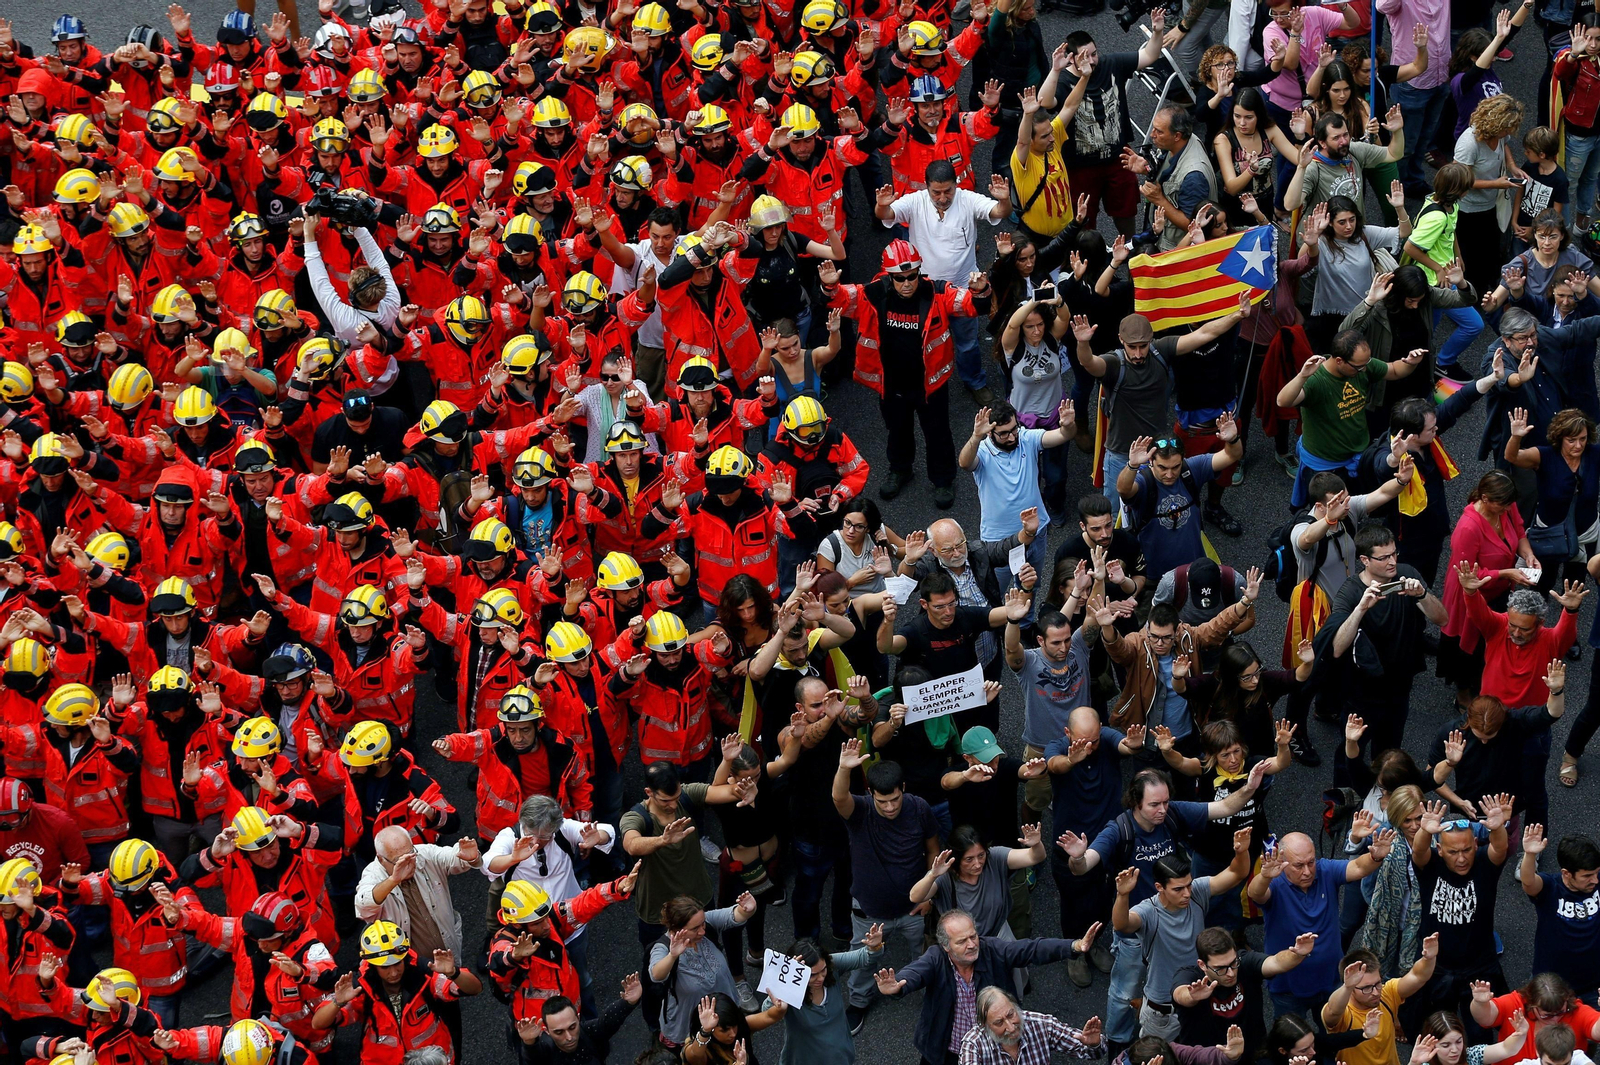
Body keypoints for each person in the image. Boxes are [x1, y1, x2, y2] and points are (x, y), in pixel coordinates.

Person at [873, 906, 1102, 1064]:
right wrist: (898, 986)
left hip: (996, 1044)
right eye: (962, 941)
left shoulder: (992, 949)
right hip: (947, 1047)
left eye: (973, 936)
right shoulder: (935, 958)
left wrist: (1073, 946)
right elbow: (916, 972)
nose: (972, 944)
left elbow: (1031, 949)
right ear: (946, 946)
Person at [1073, 307, 1245, 502]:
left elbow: (1205, 333)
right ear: (1121, 340)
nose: (1138, 353)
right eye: (1132, 347)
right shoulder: (1113, 364)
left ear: (1151, 339)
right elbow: (1089, 362)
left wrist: (1237, 315)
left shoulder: (1161, 350)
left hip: (1157, 453)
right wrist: (1083, 343)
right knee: (1115, 514)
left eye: (1143, 346)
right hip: (1121, 455)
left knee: (1155, 508)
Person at [876, 161, 1014, 401]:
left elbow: (1000, 212)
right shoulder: (915, 201)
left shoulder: (967, 199)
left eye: (948, 191)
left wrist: (1004, 200)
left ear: (956, 184)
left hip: (962, 289)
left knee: (967, 342)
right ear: (927, 187)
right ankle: (925, 386)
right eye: (936, 192)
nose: (942, 197)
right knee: (923, 342)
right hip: (926, 291)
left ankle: (974, 381)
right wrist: (881, 205)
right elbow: (886, 215)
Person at [831, 743, 942, 1032]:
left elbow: (933, 849)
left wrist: (929, 893)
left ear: (903, 788)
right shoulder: (861, 812)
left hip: (913, 909)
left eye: (895, 799)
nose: (890, 807)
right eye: (883, 802)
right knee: (864, 962)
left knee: (923, 952)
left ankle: (927, 988)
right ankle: (858, 1002)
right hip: (869, 912)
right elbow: (838, 796)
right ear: (871, 794)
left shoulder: (919, 808)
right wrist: (844, 767)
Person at [1319, 524, 1449, 769]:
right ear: (1365, 560)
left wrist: (1421, 595)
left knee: (1389, 750)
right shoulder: (1351, 592)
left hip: (1400, 685)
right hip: (1362, 690)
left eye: (1394, 554)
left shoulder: (1406, 574)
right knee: (1351, 751)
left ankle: (1383, 793)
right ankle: (1343, 799)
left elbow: (1442, 619)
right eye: (1384, 557)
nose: (1392, 562)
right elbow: (1336, 648)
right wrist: (1361, 608)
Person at [1114, 831, 1253, 1041]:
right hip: (1164, 1010)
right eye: (1178, 889)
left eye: (1189, 885)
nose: (1187, 893)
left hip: (1200, 996)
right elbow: (1122, 923)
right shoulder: (1149, 912)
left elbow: (1237, 873)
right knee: (1160, 1057)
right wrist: (1123, 895)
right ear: (1159, 888)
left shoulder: (1196, 892)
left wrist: (1241, 852)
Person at [1248, 829, 1399, 1020]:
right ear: (1282, 861)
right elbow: (1256, 893)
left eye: (1311, 862)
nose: (1307, 871)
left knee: (1334, 1037)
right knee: (1293, 1044)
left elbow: (1358, 868)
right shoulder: (1275, 884)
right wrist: (1264, 877)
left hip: (1331, 981)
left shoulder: (1325, 870)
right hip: (1288, 989)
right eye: (1298, 865)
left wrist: (1374, 858)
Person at [1275, 332, 1425, 508]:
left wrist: (1410, 362)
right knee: (1328, 510)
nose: (1363, 370)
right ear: (1339, 360)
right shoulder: (1316, 380)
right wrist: (1302, 376)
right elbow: (1282, 401)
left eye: (1366, 364)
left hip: (1357, 453)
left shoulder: (1360, 365)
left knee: (1352, 503)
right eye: (1358, 367)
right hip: (1324, 463)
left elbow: (1393, 370)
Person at [1409, 796, 1514, 1023]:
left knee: (1480, 1030)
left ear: (1476, 844)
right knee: (1437, 1028)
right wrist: (1425, 832)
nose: (1461, 858)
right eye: (1453, 852)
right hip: (1436, 964)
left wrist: (1497, 828)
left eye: (1467, 850)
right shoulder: (1430, 867)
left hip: (1479, 964)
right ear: (1439, 849)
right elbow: (1418, 852)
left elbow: (1500, 847)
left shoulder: (1485, 865)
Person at [959, 399, 1076, 588]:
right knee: (995, 592)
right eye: (1004, 434)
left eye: (1014, 429)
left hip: (1036, 533)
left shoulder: (1026, 438)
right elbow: (964, 463)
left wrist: (1069, 426)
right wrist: (975, 437)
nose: (1012, 437)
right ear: (990, 432)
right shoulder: (981, 451)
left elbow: (1062, 435)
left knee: (1030, 587)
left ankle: (1028, 619)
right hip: (999, 542)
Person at [1172, 926, 1318, 1061]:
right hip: (1209, 1059)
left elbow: (1276, 962)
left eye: (1233, 963)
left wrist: (1297, 954)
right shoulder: (1189, 976)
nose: (1231, 973)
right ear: (1202, 965)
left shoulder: (1244, 962)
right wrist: (1191, 997)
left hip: (1251, 1054)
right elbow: (1180, 994)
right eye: (1220, 968)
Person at [356, 826, 481, 967]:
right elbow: (363, 906)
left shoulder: (424, 853)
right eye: (399, 861)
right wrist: (393, 880)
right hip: (411, 967)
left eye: (410, 854)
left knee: (456, 984)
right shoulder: (372, 874)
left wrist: (469, 857)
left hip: (449, 953)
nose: (408, 863)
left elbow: (452, 857)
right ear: (380, 859)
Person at [647, 892, 760, 1048]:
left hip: (724, 1016)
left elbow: (737, 914)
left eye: (703, 924)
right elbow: (656, 975)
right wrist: (672, 956)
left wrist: (749, 908)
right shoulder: (663, 948)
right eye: (695, 929)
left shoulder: (704, 921)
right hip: (689, 1027)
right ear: (675, 929)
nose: (702, 931)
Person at [1320, 940, 1442, 1065]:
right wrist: (1347, 987)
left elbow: (1418, 976)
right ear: (1351, 989)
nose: (1375, 992)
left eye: (1378, 983)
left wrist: (1428, 958)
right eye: (1366, 988)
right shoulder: (1345, 1013)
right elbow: (1332, 1011)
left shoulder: (1386, 994)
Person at [1517, 829, 1600, 999]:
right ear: (1566, 874)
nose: (1595, 880)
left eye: (1597, 873)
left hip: (1593, 986)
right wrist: (1530, 855)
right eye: (1587, 876)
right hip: (1552, 989)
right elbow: (1529, 882)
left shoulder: (1596, 882)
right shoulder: (1550, 887)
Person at [958, 986, 1105, 1065]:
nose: (1010, 1027)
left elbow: (1094, 1054)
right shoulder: (973, 1043)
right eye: (999, 1022)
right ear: (984, 1025)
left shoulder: (1041, 1024)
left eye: (1011, 1015)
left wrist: (1093, 1044)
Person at [511, 977, 642, 1065]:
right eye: (559, 1032)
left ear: (578, 1018)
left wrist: (628, 1003)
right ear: (547, 1031)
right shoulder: (546, 1050)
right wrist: (529, 1043)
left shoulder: (588, 1031)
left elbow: (606, 1022)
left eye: (572, 1027)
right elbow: (532, 1060)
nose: (568, 1037)